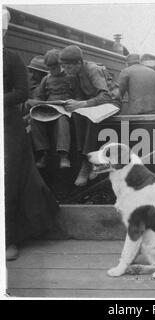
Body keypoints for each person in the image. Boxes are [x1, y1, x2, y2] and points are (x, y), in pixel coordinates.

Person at [3, 8, 62, 261]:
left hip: (7, 127)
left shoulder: (10, 58)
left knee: (9, 182)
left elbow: (21, 93)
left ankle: (9, 239)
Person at [59, 45, 119, 186]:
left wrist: (83, 104)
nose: (65, 71)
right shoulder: (74, 74)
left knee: (93, 119)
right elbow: (79, 96)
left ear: (78, 63)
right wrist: (74, 104)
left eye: (68, 67)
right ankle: (86, 159)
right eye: (64, 67)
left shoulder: (93, 69)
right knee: (76, 115)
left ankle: (86, 163)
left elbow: (106, 96)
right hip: (94, 104)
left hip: (111, 103)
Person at [30, 48, 78, 169]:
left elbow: (78, 94)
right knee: (35, 120)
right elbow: (39, 96)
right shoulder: (46, 79)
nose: (53, 71)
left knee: (62, 121)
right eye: (50, 68)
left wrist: (73, 103)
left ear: (61, 64)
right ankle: (42, 153)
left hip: (65, 109)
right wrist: (36, 102)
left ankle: (63, 155)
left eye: (55, 67)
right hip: (49, 109)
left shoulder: (71, 77)